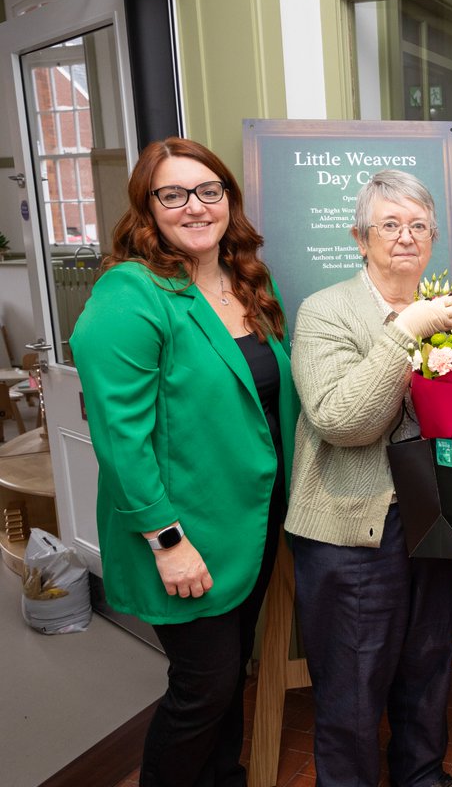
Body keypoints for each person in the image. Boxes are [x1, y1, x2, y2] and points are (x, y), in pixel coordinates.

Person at [71, 137, 298, 786]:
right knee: (203, 689)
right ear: (149, 207)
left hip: (250, 524)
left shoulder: (248, 281)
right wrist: (167, 539)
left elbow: (270, 399)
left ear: (229, 198)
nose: (195, 207)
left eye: (209, 190)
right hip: (181, 531)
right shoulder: (131, 294)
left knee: (228, 683)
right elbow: (120, 437)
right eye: (174, 194)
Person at [286, 170, 452, 787]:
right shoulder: (324, 311)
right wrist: (408, 331)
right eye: (389, 225)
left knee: (427, 658)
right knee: (353, 681)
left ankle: (421, 774)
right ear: (360, 238)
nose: (405, 238)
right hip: (350, 522)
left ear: (433, 238)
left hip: (431, 514)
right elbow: (342, 420)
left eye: (418, 226)